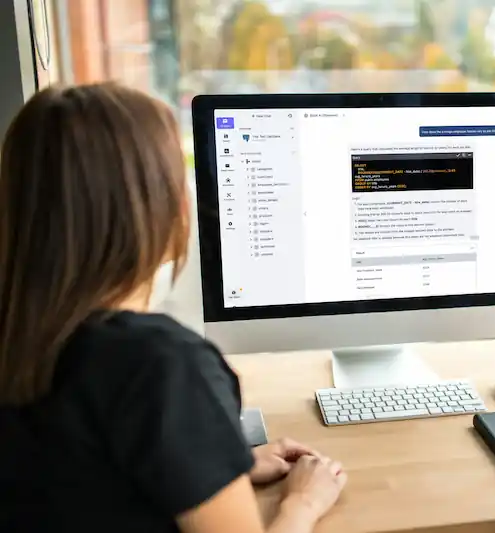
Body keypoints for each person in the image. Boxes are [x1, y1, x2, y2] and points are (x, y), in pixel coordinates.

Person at [0, 83, 346, 533]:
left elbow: (83, 482)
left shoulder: (23, 340)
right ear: (165, 208)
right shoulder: (159, 364)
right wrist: (302, 503)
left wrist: (218, 466)